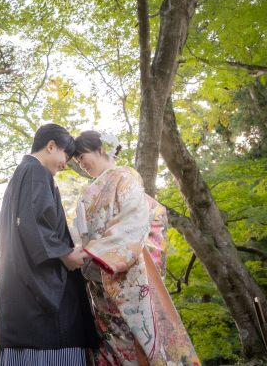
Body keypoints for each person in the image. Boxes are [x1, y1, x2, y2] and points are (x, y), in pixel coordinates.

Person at [73, 131, 200, 366]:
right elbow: (79, 232)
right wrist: (76, 253)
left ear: (101, 149)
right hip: (97, 275)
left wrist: (97, 251)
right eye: (77, 162)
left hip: (121, 272)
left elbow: (134, 220)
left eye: (82, 157)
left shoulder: (125, 177)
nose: (81, 165)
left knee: (135, 338)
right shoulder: (88, 192)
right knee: (110, 341)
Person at [0, 123, 100, 366]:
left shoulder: (20, 174)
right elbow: (35, 224)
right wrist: (66, 254)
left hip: (19, 294)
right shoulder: (37, 172)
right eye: (65, 155)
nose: (66, 164)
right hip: (42, 303)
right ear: (50, 146)